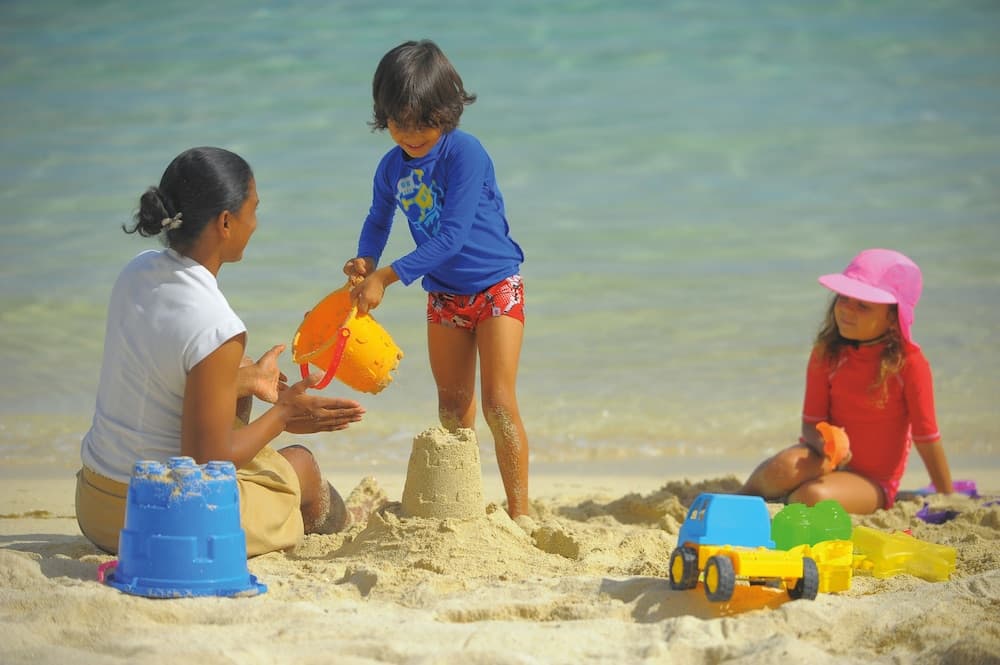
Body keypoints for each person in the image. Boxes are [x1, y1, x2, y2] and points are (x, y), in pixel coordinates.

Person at [76, 146, 371, 556]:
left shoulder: (137, 271)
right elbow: (205, 460)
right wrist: (284, 414)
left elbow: (165, 372)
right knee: (301, 464)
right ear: (226, 222)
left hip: (95, 503)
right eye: (254, 210)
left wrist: (248, 379)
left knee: (242, 371)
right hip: (158, 524)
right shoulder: (217, 325)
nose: (256, 223)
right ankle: (345, 524)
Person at [342, 40, 530, 518]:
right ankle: (462, 501)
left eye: (421, 123)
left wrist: (386, 276)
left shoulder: (464, 153)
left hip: (496, 287)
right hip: (445, 296)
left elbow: (451, 237)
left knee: (498, 405)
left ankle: (521, 511)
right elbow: (378, 219)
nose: (409, 135)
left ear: (446, 112)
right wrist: (365, 260)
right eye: (397, 122)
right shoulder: (391, 168)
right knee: (451, 406)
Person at [740, 248, 953, 513]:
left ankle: (784, 502)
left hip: (872, 481)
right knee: (782, 467)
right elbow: (811, 424)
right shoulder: (826, 353)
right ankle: (737, 499)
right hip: (824, 458)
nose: (847, 310)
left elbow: (926, 437)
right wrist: (826, 446)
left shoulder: (909, 363)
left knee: (813, 496)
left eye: (863, 305)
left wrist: (948, 495)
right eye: (844, 298)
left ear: (892, 317)